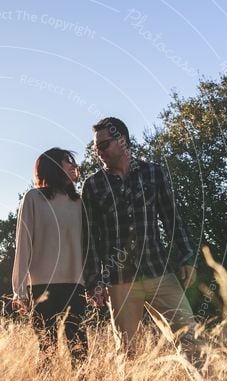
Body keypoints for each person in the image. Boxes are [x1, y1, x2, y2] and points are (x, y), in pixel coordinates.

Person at [82, 117, 198, 356]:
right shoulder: (93, 185)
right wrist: (93, 280)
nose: (99, 152)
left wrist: (186, 257)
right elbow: (90, 238)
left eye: (104, 145)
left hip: (160, 273)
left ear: (122, 141)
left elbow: (172, 218)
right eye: (96, 148)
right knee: (128, 353)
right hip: (119, 281)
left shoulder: (153, 173)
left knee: (190, 339)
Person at [12, 147, 89, 362]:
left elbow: (89, 246)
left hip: (76, 285)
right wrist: (19, 290)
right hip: (42, 286)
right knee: (47, 350)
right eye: (67, 161)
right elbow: (23, 244)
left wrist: (94, 282)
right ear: (53, 166)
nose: (74, 166)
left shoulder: (80, 203)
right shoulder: (33, 198)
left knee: (80, 350)